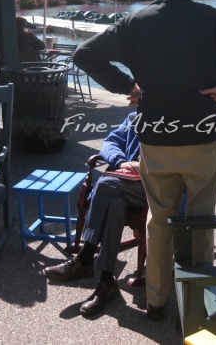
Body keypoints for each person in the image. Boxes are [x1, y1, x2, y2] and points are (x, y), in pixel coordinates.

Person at [74, 0, 216, 321]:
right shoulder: (210, 17)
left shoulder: (134, 23)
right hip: (202, 137)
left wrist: (127, 85)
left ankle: (157, 301)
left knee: (158, 220)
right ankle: (200, 298)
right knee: (201, 217)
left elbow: (85, 54)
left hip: (156, 141)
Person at [41, 112, 146, 316]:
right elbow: (110, 142)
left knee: (104, 184)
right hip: (123, 185)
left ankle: (86, 256)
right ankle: (107, 283)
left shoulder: (171, 118)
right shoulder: (135, 117)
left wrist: (143, 167)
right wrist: (121, 161)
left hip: (152, 188)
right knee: (114, 204)